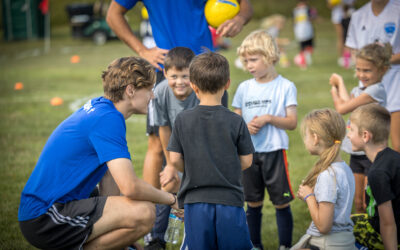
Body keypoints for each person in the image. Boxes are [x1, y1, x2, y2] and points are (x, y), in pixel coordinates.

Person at [18, 57, 179, 250]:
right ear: (130, 90)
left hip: (51, 207)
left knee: (136, 211)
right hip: (45, 216)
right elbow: (131, 187)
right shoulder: (107, 119)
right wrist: (172, 199)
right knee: (145, 212)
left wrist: (125, 241)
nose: (152, 96)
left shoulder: (104, 110)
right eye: (149, 89)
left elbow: (109, 181)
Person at [167, 51, 255, 249]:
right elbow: (247, 161)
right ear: (227, 84)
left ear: (193, 85)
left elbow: (173, 159)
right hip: (230, 202)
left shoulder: (182, 120)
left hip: (195, 202)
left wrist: (192, 168)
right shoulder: (236, 120)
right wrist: (226, 167)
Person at [232, 30, 298, 250]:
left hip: (275, 152)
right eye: (246, 61)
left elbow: (292, 122)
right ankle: (255, 245)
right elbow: (236, 120)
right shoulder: (244, 88)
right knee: (252, 203)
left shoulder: (285, 86)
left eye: (253, 60)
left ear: (269, 56)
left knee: (282, 202)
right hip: (249, 155)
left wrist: (269, 118)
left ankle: (285, 246)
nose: (249, 65)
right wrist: (244, 127)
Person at [329, 42, 391, 213]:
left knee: (369, 200)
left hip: (371, 154)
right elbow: (347, 103)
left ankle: (375, 233)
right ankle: (362, 236)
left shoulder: (375, 91)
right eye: (358, 69)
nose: (361, 74)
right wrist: (340, 84)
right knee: (358, 202)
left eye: (367, 70)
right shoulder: (360, 88)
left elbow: (342, 108)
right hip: (357, 153)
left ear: (383, 70)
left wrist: (334, 89)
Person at [146, 47, 197, 249]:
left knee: (198, 190)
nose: (180, 81)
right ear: (165, 74)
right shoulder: (160, 92)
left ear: (194, 74)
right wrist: (170, 164)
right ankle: (157, 239)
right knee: (168, 183)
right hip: (176, 151)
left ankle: (198, 236)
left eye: (185, 76)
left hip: (201, 151)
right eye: (174, 76)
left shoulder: (203, 90)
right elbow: (164, 129)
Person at [292, 108, 356, 250]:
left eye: (306, 135)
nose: (304, 140)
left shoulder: (328, 175)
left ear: (315, 138)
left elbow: (323, 226)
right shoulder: (345, 168)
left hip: (326, 243)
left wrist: (309, 196)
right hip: (345, 241)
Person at [345, 0, 400, 153]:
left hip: (396, 85)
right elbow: (354, 52)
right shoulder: (358, 15)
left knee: (397, 145)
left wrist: (382, 61)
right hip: (368, 92)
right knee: (370, 147)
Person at [347, 103, 400, 250]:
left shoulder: (377, 173)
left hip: (387, 236)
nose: (348, 135)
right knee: (346, 220)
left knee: (334, 232)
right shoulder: (394, 157)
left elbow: (387, 223)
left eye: (351, 129)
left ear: (365, 135)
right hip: (379, 222)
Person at [293, 0, 317, 69]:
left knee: (310, 47)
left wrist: (313, 13)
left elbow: (312, 18)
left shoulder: (308, 9)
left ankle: (306, 59)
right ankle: (302, 62)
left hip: (308, 30)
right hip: (300, 32)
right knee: (302, 48)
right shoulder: (295, 10)